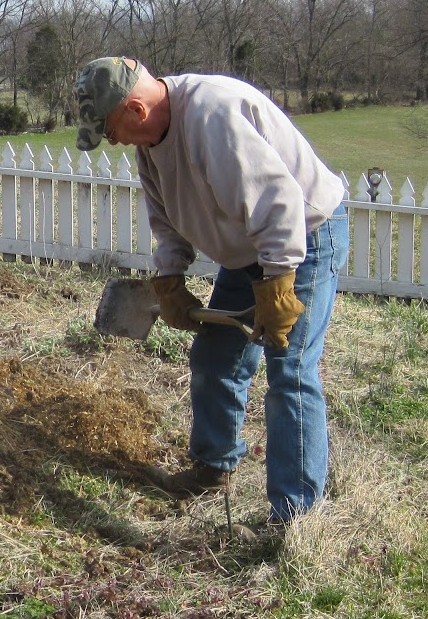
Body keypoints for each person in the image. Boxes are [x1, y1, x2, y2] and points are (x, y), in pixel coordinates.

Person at [75, 57, 349, 530]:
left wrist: (278, 281)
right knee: (214, 358)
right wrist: (168, 278)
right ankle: (212, 468)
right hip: (246, 251)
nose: (113, 141)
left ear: (137, 110)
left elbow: (278, 202)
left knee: (290, 371)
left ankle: (294, 518)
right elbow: (166, 221)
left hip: (300, 239)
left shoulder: (211, 115)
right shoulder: (150, 145)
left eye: (111, 129)